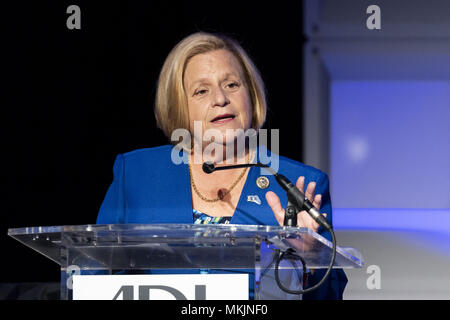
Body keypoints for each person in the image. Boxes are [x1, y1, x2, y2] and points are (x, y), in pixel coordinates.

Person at [97, 32, 347, 299]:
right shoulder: (137, 173)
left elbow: (329, 294)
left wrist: (308, 258)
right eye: (201, 90)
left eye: (231, 85)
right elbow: (94, 271)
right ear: (179, 105)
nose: (220, 99)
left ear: (251, 94)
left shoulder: (299, 183)